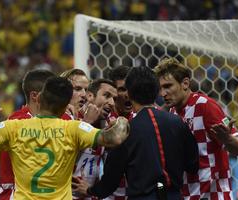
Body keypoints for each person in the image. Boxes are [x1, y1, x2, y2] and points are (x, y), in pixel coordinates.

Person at [0, 76, 129, 200]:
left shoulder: (13, 127)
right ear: (65, 106)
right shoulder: (75, 128)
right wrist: (120, 119)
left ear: (39, 98)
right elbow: (115, 137)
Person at [73, 66, 199, 200]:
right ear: (157, 92)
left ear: (129, 94)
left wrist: (90, 190)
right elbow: (193, 165)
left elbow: (111, 181)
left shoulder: (125, 131)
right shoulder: (178, 123)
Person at [153, 58, 238, 200]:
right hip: (188, 194)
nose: (162, 93)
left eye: (168, 86)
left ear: (185, 83)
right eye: (161, 88)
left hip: (213, 195)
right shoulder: (172, 113)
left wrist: (227, 138)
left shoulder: (206, 106)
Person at [0, 69, 55, 200]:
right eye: (52, 92)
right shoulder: (15, 122)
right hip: (16, 193)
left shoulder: (66, 118)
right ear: (35, 96)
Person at [72, 78, 118, 200]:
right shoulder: (71, 120)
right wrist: (87, 124)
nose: (112, 103)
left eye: (114, 98)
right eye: (106, 95)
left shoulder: (107, 124)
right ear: (90, 96)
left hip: (90, 195)